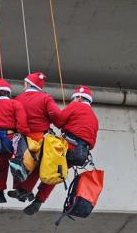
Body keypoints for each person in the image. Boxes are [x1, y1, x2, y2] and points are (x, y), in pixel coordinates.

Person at [22, 85, 99, 215]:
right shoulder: (95, 118)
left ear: (79, 97)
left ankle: (25, 190)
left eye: (74, 98)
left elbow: (59, 120)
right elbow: (92, 141)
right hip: (81, 155)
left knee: (42, 162)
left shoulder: (76, 106)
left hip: (70, 146)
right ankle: (39, 200)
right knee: (56, 172)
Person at [6, 72, 63, 214]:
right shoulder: (46, 98)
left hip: (23, 138)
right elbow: (57, 116)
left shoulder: (18, 99)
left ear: (28, 84)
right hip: (41, 139)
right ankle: (27, 192)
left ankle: (21, 190)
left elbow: (11, 118)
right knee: (40, 166)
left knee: (20, 163)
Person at [0, 79, 31, 203]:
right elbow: (22, 125)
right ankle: (19, 189)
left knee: (2, 164)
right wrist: (27, 135)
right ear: (9, 93)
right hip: (12, 140)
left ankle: (0, 191)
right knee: (18, 163)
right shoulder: (15, 104)